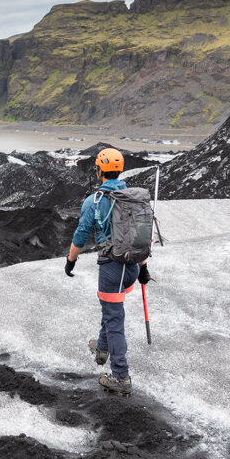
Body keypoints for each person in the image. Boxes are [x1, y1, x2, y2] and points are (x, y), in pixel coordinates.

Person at [64, 147, 151, 394]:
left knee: (114, 319)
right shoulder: (131, 197)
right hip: (131, 266)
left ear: (100, 170)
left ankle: (120, 375)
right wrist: (143, 267)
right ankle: (101, 347)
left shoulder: (95, 201)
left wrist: (71, 261)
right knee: (110, 310)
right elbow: (139, 235)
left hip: (113, 267)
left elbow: (81, 235)